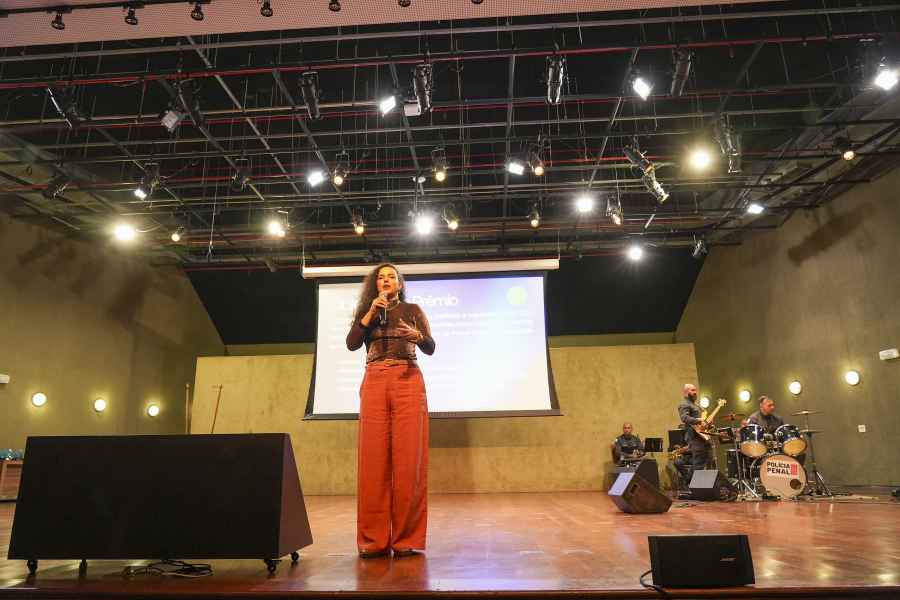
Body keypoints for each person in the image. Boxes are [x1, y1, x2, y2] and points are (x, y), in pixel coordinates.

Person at [346, 263, 435, 558]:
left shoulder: (413, 310)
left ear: (399, 284)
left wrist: (418, 337)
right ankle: (373, 541)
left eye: (391, 277)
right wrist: (370, 312)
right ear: (376, 284)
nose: (386, 280)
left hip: (407, 378)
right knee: (373, 460)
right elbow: (351, 344)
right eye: (381, 277)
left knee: (409, 460)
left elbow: (431, 347)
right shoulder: (368, 311)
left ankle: (406, 539)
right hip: (374, 379)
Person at [677, 383, 711, 474]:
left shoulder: (697, 406)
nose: (695, 392)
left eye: (695, 390)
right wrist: (698, 420)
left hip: (703, 436)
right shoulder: (684, 404)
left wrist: (708, 423)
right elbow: (684, 418)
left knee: (707, 461)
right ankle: (694, 483)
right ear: (686, 392)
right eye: (692, 390)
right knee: (699, 464)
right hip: (694, 437)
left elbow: (703, 421)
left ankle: (689, 480)